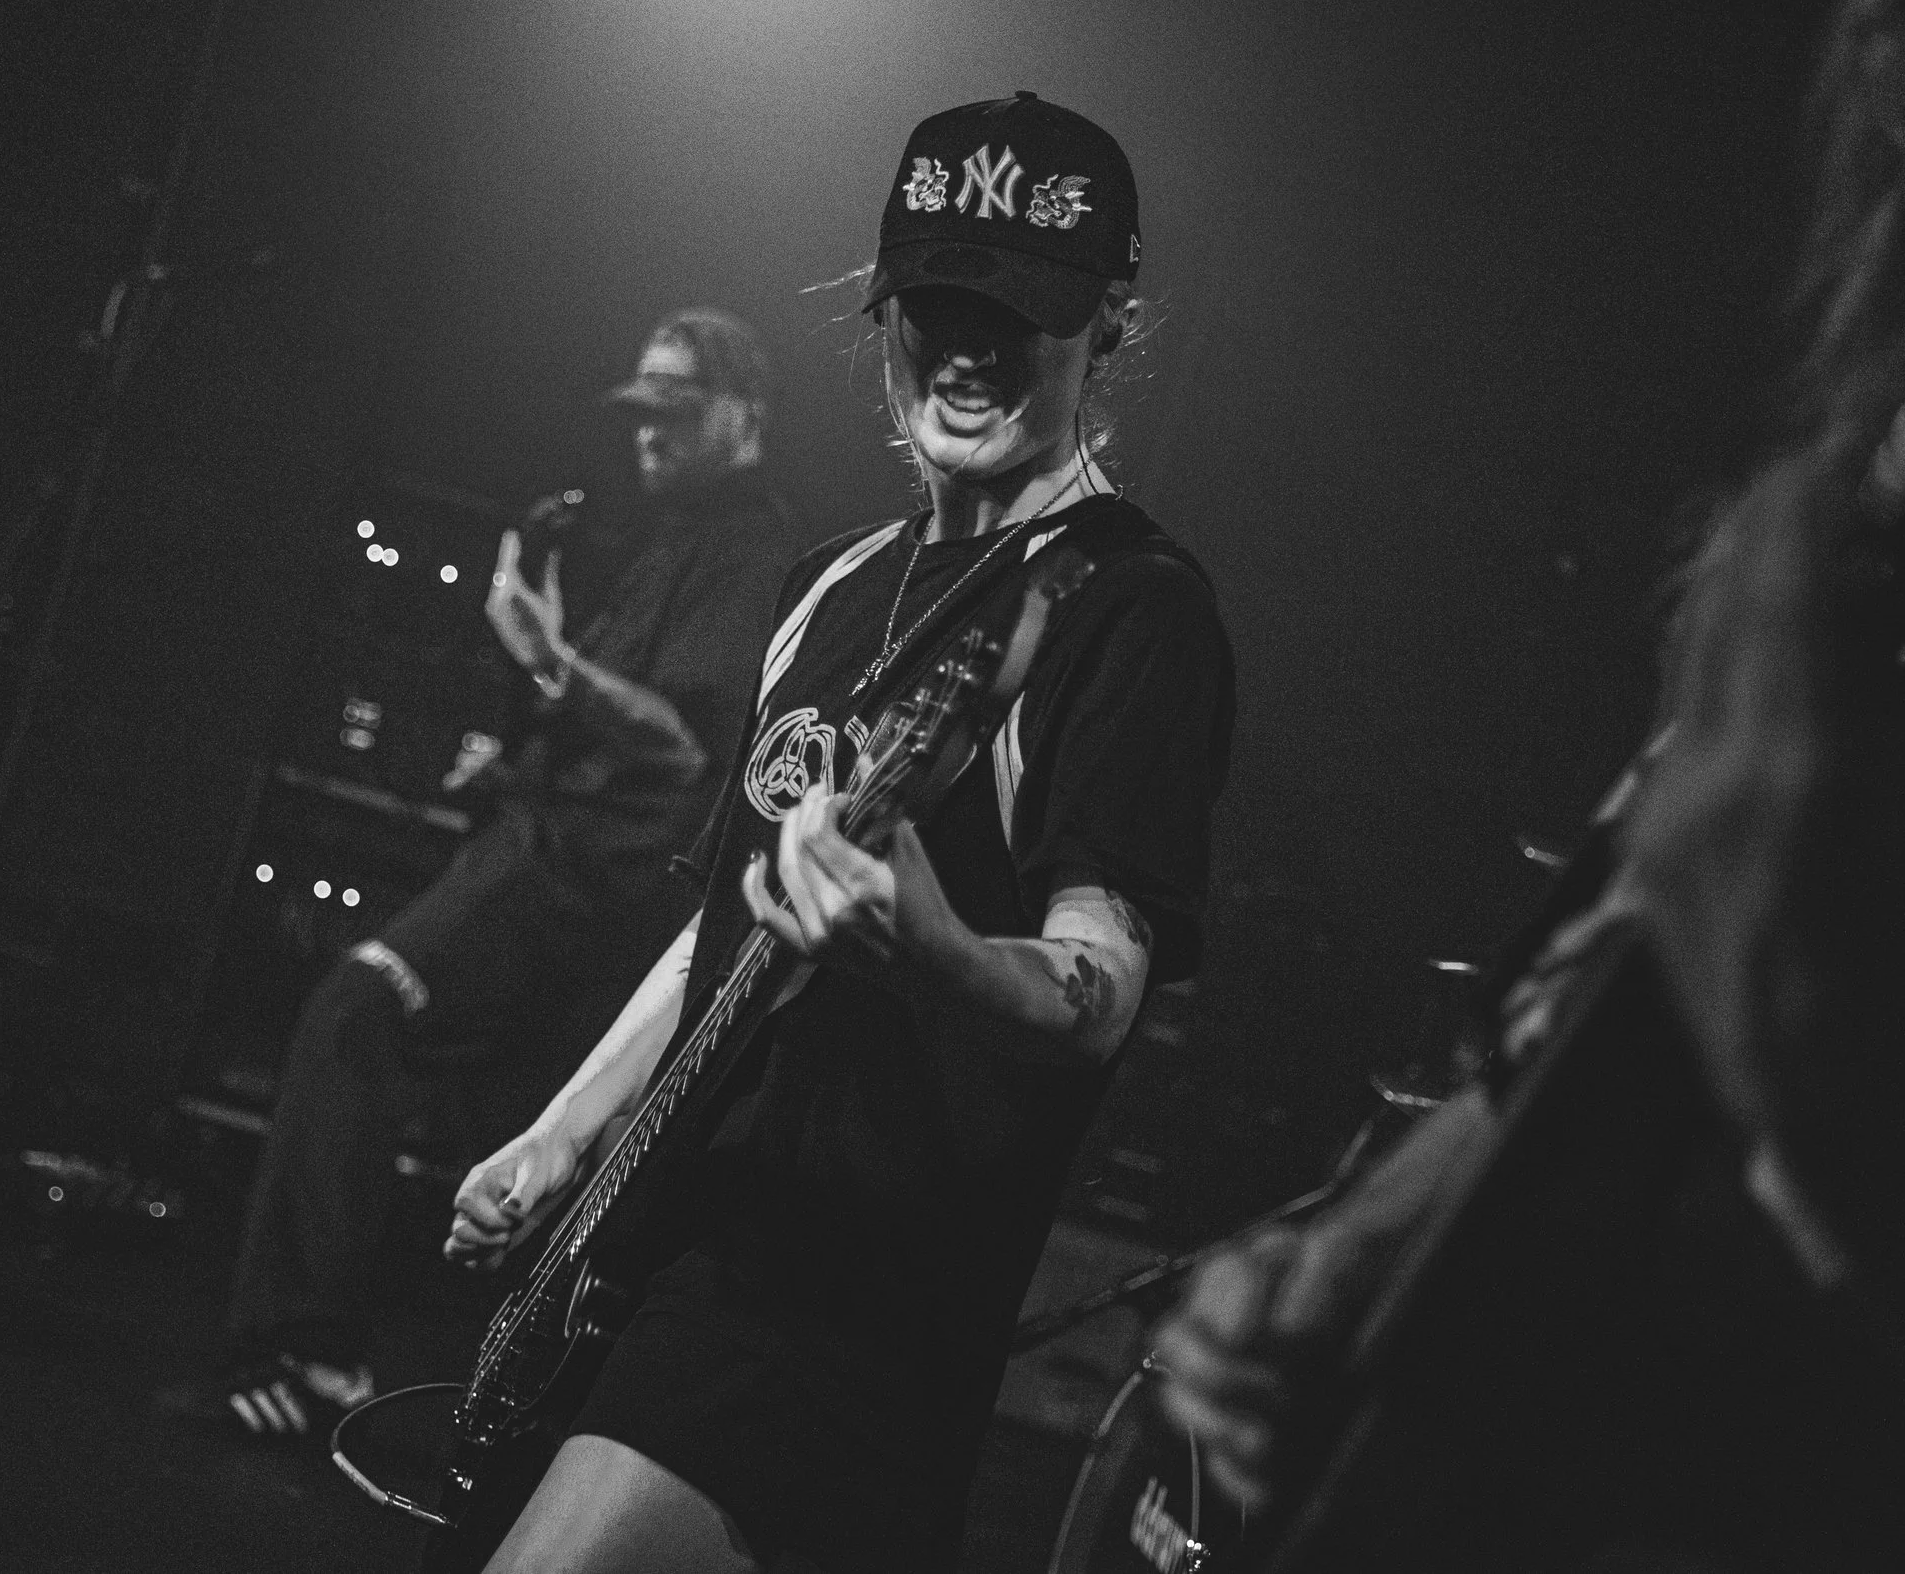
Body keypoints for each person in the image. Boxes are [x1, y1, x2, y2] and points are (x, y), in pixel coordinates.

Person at [1149, 0, 1905, 1567]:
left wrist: (1813, 1025)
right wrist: (1347, 1256)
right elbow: (1623, 1000)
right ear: (1885, 74)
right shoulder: (1862, 526)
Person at [444, 93, 1235, 1574]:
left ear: (1112, 321)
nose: (970, 351)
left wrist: (934, 946)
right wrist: (562, 1134)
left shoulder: (1130, 607)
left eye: (1021, 314)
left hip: (842, 1300)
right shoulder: (828, 583)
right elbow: (719, 928)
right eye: (939, 306)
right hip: (668, 1248)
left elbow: (1101, 985)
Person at [179, 308, 796, 1438]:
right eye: (639, 413)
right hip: (555, 858)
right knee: (508, 1144)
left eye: (675, 411)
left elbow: (682, 750)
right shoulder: (667, 537)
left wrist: (546, 657)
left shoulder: (752, 555)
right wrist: (512, 757)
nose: (648, 433)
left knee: (358, 1011)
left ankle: (303, 1344)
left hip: (584, 881)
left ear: (744, 413)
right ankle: (461, 1399)